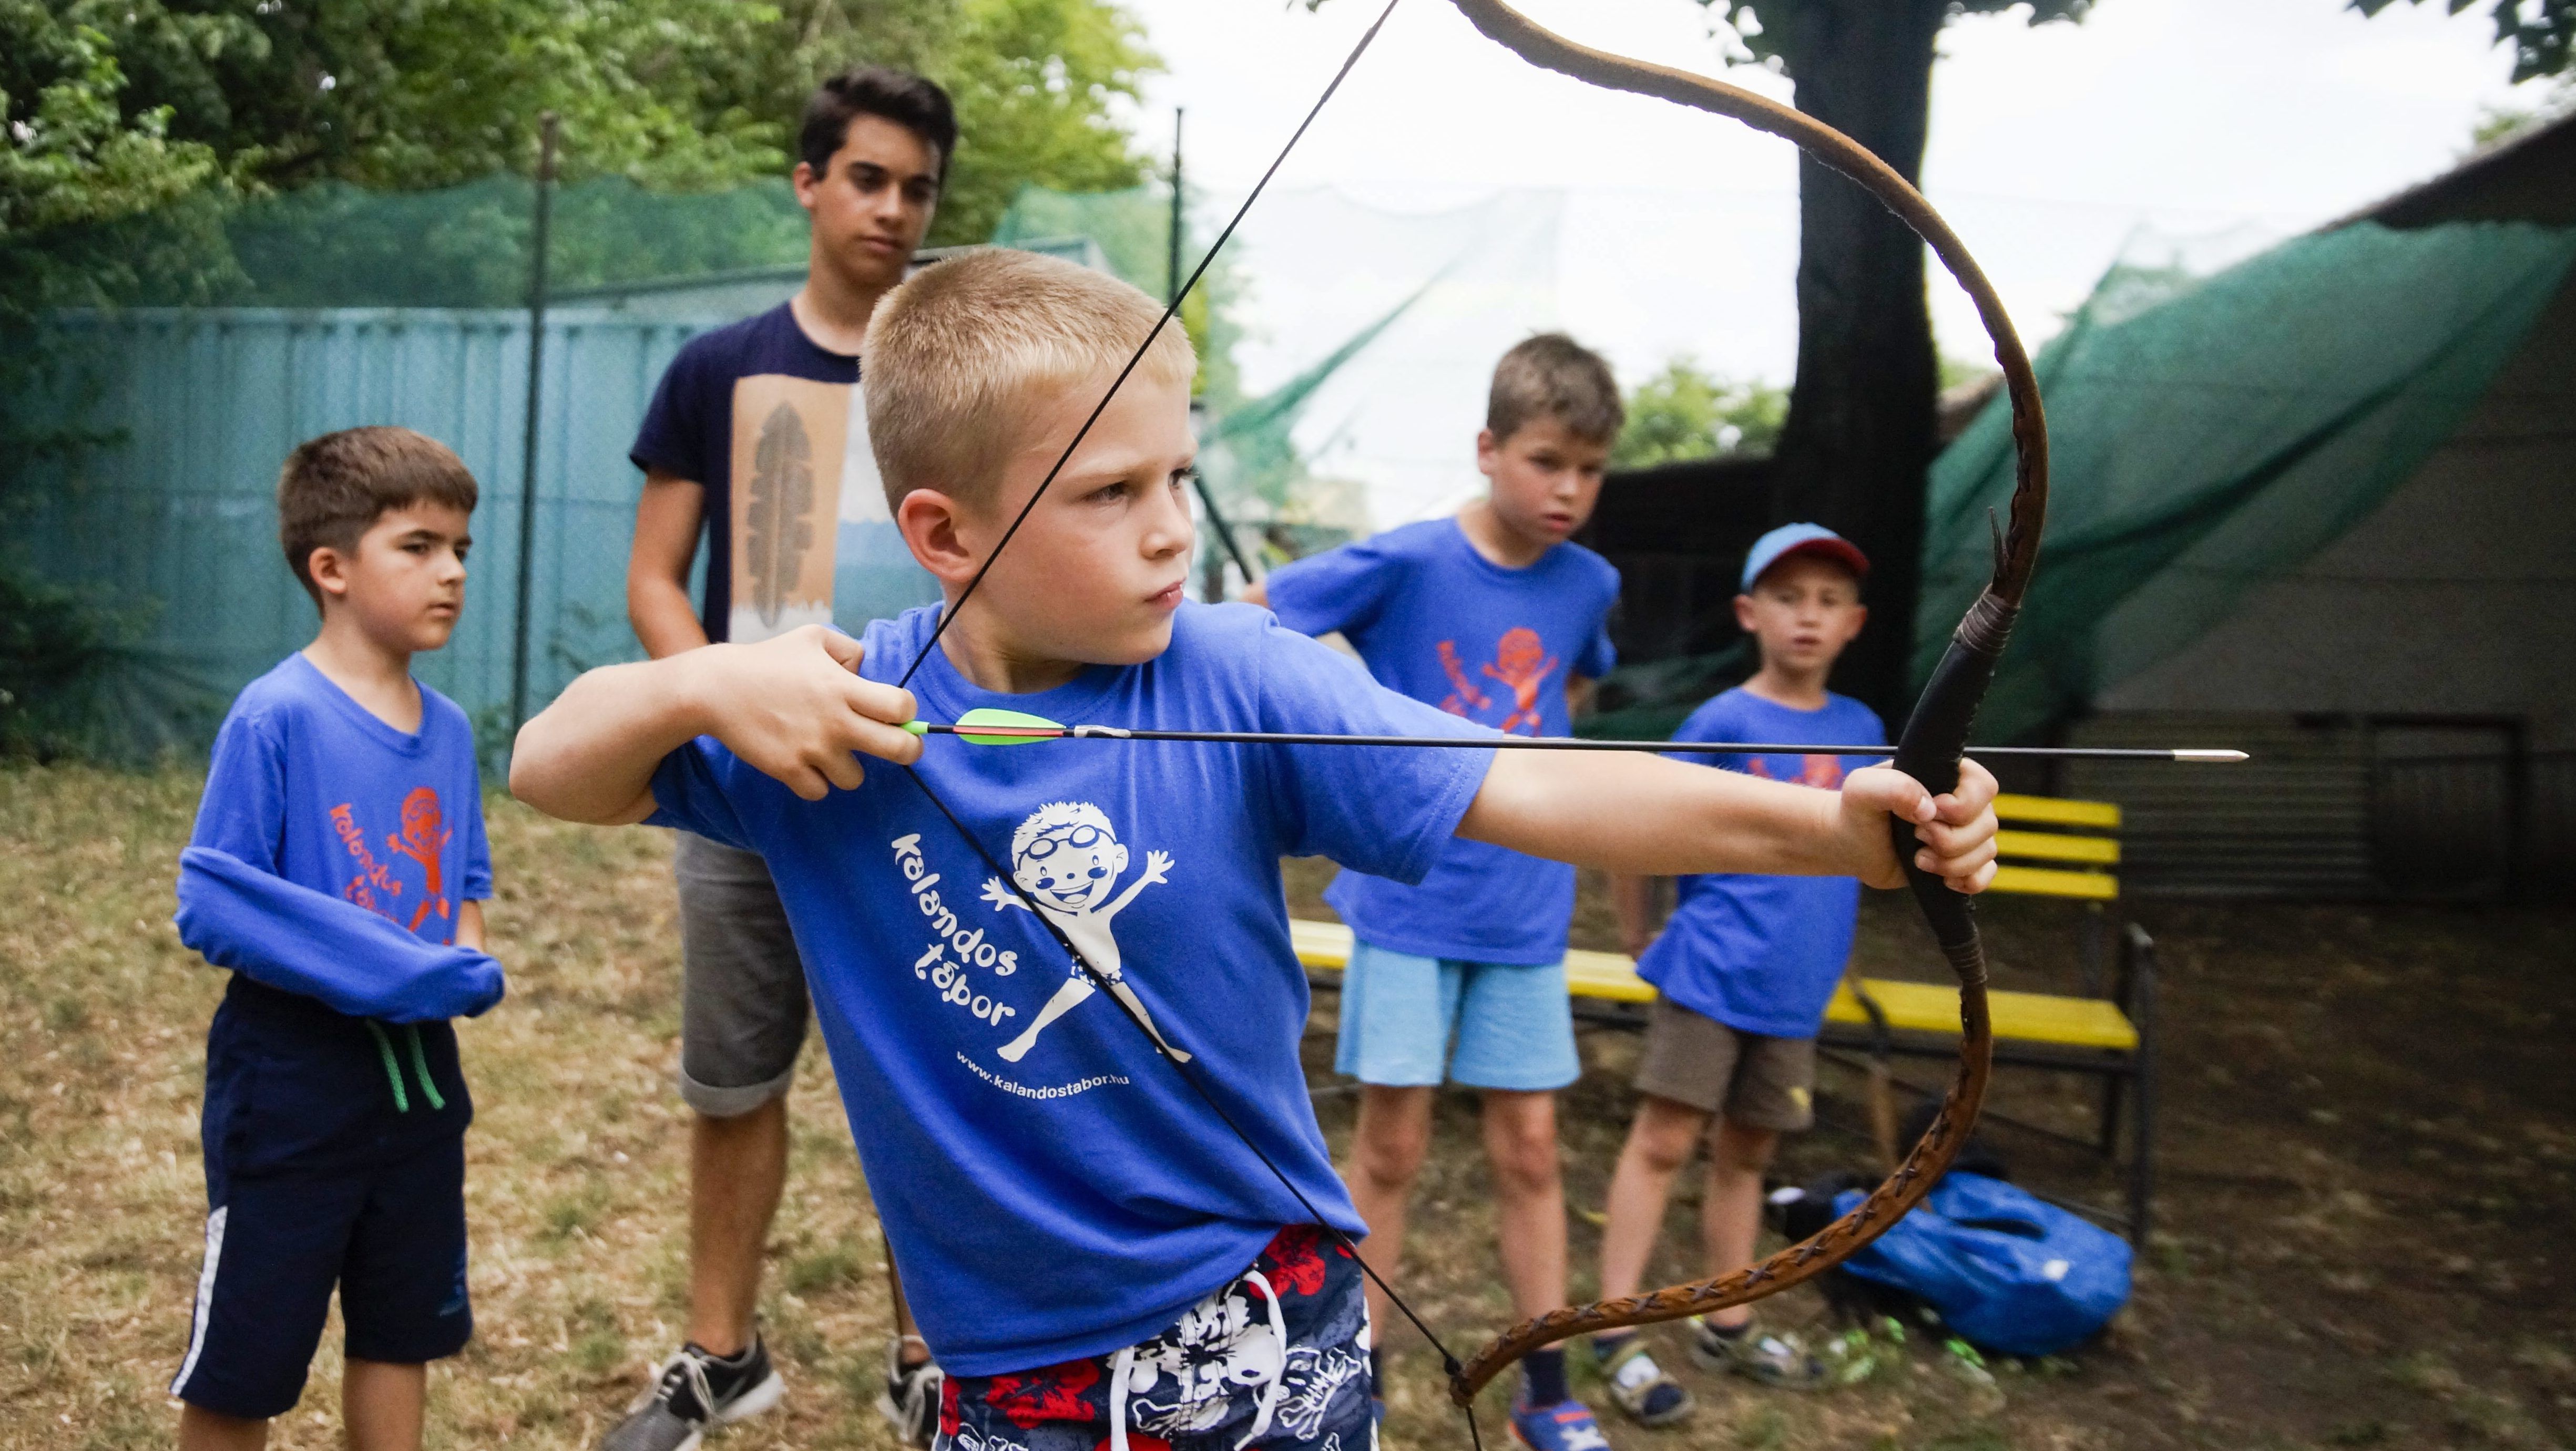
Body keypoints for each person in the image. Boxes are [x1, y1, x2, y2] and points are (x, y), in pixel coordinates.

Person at [509, 249, 2001, 1451]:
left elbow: (1528, 784)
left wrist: (1834, 830)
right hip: (996, 1368)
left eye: (1176, 476)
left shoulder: (1236, 670)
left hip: (1257, 1313)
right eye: (1108, 494)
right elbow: (550, 770)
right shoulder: (834, 712)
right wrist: (699, 677)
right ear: (943, 530)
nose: (1170, 531)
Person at [614, 65, 952, 1450]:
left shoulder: (953, 372)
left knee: (930, 1089)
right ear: (808, 181)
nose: (892, 208)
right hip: (750, 800)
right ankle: (718, 1354)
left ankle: (930, 1357)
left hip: (922, 798)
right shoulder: (718, 367)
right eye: (866, 176)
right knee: (731, 1081)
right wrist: (716, 699)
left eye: (918, 187)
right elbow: (653, 579)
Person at [1245, 333, 1625, 1446]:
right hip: (1407, 902)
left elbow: (1575, 683)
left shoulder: (1589, 581)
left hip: (1524, 915)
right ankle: (1340, 1387)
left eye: (1590, 469)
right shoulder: (1409, 560)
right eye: (1547, 459)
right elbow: (1262, 612)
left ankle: (1545, 1392)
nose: (1568, 489)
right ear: (1487, 448)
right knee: (1390, 1151)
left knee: (1531, 1150)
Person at [168, 427, 506, 1450]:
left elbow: (467, 894)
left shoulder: (447, 729)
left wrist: (462, 962)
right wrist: (392, 969)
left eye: (461, 547)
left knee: (399, 1335)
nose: (450, 570)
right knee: (247, 1362)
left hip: (417, 1095)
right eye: (418, 545)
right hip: (290, 1091)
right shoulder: (273, 717)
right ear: (332, 569)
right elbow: (213, 901)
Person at [1586, 523, 1886, 1425]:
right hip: (1711, 974)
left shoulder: (1864, 731)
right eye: (1790, 597)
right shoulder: (1722, 721)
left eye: (1829, 601)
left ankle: (1729, 1319)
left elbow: (1871, 852)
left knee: (1749, 1153)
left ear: (1855, 624)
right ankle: (1615, 1328)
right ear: (1750, 613)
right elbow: (1639, 822)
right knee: (1665, 1141)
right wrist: (1641, 931)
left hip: (1795, 992)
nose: (1809, 616)